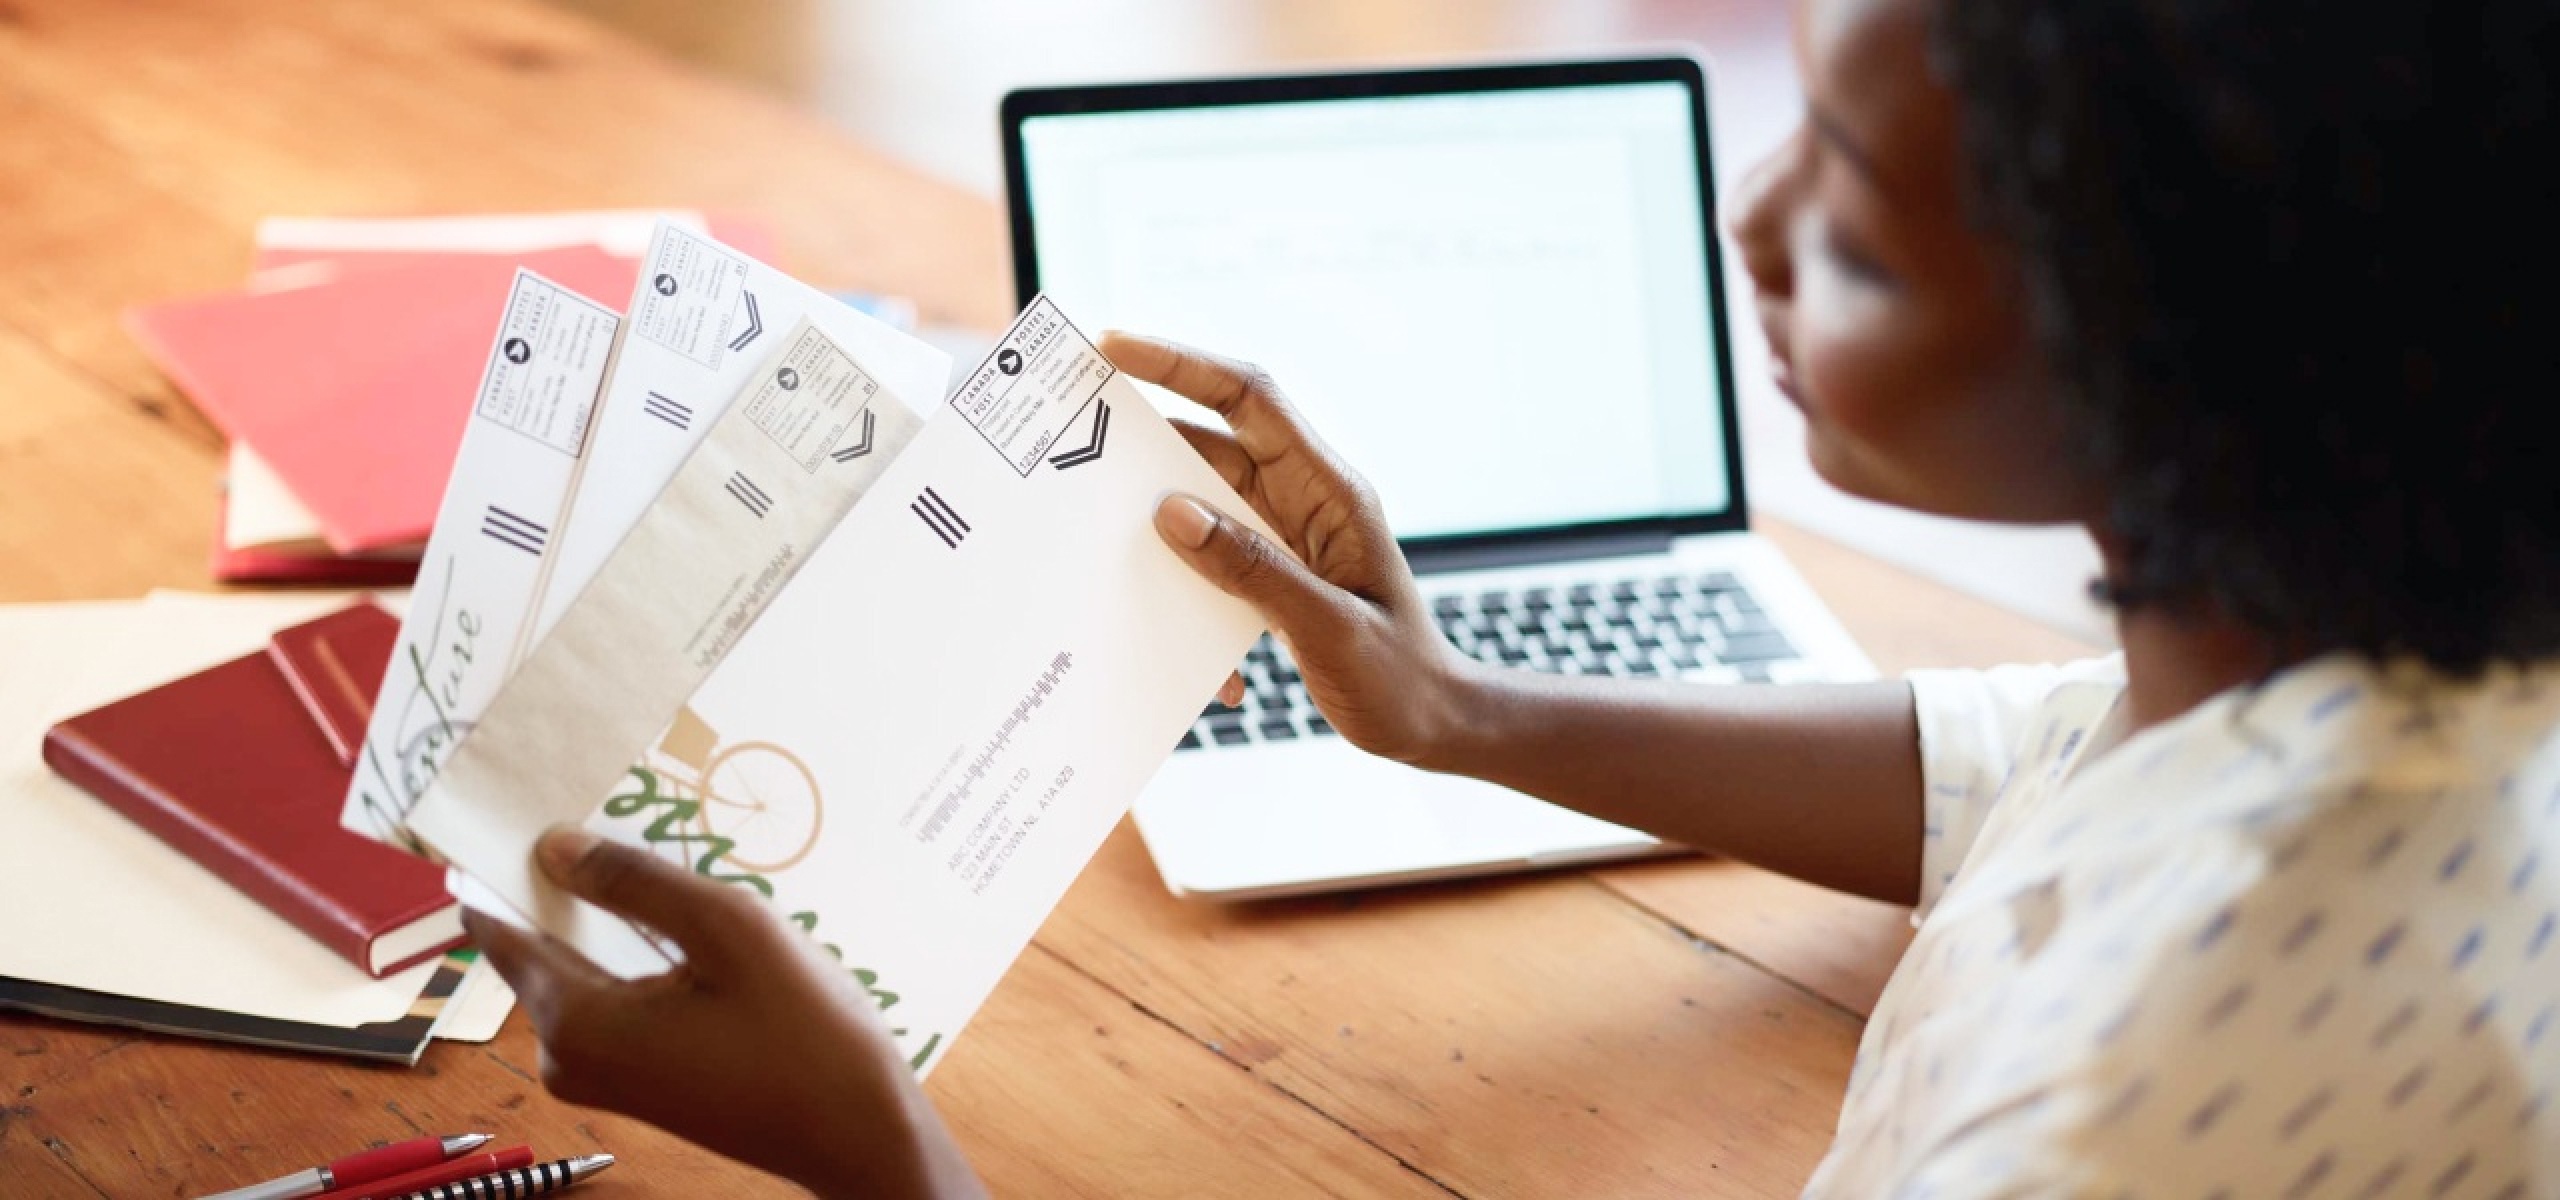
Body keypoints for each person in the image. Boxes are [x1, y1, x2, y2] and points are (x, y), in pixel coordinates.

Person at [461, 0, 2560, 1192]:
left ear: (2180, 358)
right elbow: (2026, 759)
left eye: (1861, 239)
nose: (1749, 219)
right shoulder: (2354, 661)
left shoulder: (2104, 1120)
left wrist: (892, 1160)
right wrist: (1461, 713)